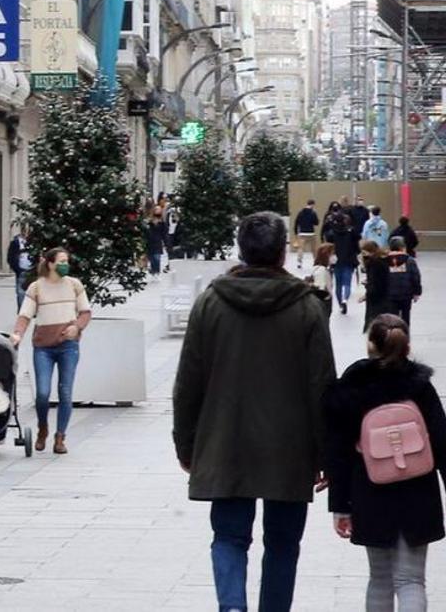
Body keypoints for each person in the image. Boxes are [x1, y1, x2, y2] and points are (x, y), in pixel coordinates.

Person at [172, 212, 337, 612]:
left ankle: (232, 607)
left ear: (241, 250)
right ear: (282, 252)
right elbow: (323, 387)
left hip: (224, 441)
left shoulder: (210, 302)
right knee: (283, 542)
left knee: (228, 537)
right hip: (289, 447)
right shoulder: (307, 308)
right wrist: (327, 454)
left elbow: (187, 383)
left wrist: (187, 444)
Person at [324, 314, 446, 612]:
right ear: (406, 346)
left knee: (379, 578)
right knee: (411, 580)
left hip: (370, 490)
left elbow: (338, 451)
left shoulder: (351, 389)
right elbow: (442, 441)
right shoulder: (421, 387)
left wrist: (340, 505)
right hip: (419, 490)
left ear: (371, 345)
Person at [12, 247, 91, 455]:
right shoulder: (36, 288)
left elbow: (85, 312)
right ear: (50, 263)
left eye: (67, 261)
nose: (65, 264)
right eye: (61, 261)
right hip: (43, 347)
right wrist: (18, 334)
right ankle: (42, 428)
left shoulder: (75, 285)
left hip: (68, 346)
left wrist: (77, 327)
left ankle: (60, 437)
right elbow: (25, 316)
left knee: (65, 392)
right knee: (43, 393)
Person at [388, 236, 423, 328]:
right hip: (406, 294)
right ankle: (405, 336)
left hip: (390, 294)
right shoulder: (409, 260)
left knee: (392, 318)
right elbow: (415, 276)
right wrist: (417, 292)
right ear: (402, 247)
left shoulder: (384, 260)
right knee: (405, 317)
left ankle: (393, 336)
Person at [360, 240, 393, 333]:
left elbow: (375, 283)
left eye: (364, 252)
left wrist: (368, 288)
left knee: (375, 326)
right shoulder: (382, 261)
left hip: (376, 302)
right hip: (385, 299)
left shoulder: (374, 264)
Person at [330, 211, 359, 315]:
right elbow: (357, 244)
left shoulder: (332, 232)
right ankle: (345, 299)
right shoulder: (351, 231)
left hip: (336, 260)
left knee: (338, 283)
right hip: (349, 259)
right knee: (347, 282)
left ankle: (340, 304)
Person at [6, 223, 34, 311]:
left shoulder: (33, 242)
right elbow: (10, 258)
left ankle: (31, 310)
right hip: (21, 271)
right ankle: (23, 311)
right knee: (21, 292)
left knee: (33, 291)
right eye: (24, 230)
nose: (26, 232)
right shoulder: (15, 242)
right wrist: (17, 270)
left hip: (32, 270)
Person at [294, 199, 320, 269]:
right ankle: (316, 262)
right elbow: (316, 223)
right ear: (313, 204)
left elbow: (296, 223)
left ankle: (299, 262)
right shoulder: (313, 212)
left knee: (301, 249)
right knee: (314, 249)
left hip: (302, 233)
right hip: (311, 233)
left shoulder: (300, 212)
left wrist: (296, 232)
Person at [311, 243, 335, 318]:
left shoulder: (320, 269)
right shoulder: (322, 271)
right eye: (332, 254)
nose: (334, 257)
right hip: (323, 304)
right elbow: (320, 289)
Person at [146, 207, 167, 279]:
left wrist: (165, 242)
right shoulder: (149, 222)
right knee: (152, 258)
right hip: (150, 242)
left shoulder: (162, 223)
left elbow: (164, 233)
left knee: (157, 258)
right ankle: (153, 271)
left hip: (158, 242)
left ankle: (157, 272)